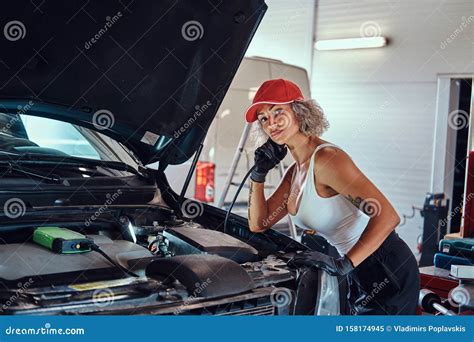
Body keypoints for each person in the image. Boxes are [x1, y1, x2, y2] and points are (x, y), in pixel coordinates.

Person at [245, 78, 420, 315]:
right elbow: (258, 223)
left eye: (278, 112)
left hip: (385, 267)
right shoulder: (294, 171)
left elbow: (388, 217)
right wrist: (258, 174)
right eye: (264, 118)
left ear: (299, 112)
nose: (271, 123)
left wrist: (343, 265)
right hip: (355, 268)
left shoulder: (327, 160)